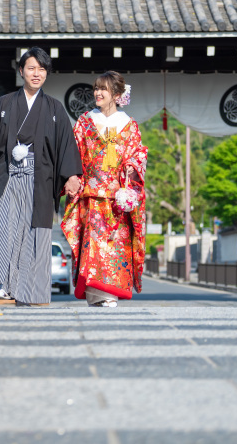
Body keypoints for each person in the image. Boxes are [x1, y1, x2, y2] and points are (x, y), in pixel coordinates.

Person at [0, 47, 82, 305]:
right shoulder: (4, 104)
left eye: (42, 69)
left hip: (39, 180)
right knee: (3, 226)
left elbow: (66, 145)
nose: (36, 73)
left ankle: (31, 291)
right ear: (21, 71)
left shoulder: (54, 108)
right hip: (7, 176)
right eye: (31, 68)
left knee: (34, 233)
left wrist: (71, 176)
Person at [61, 71, 147, 307]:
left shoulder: (129, 125)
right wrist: (71, 178)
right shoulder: (85, 122)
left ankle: (109, 294)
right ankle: (96, 294)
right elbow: (72, 154)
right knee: (94, 246)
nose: (97, 93)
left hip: (117, 199)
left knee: (115, 246)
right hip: (91, 196)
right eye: (96, 88)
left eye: (104, 89)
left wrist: (131, 168)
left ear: (117, 95)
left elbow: (138, 154)